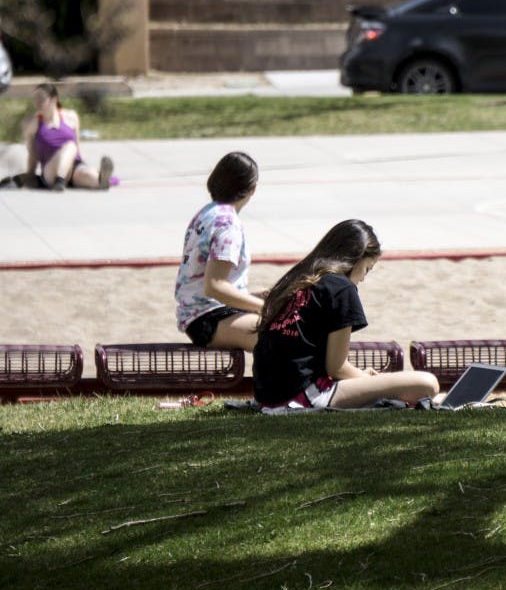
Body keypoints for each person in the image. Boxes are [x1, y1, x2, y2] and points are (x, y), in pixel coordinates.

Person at [253, 219, 440, 410]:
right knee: (427, 383)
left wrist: (360, 377)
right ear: (356, 259)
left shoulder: (296, 279)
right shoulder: (341, 288)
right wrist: (365, 378)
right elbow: (336, 367)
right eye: (367, 268)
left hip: (267, 396)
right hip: (304, 396)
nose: (364, 278)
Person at [174, 151, 264, 351]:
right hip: (208, 318)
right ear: (252, 189)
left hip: (201, 314)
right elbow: (214, 286)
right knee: (290, 336)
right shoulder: (228, 224)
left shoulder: (207, 213)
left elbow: (207, 282)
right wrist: (265, 308)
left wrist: (252, 297)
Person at [22, 83, 113, 191]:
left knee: (88, 175)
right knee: (70, 146)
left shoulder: (71, 117)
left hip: (73, 167)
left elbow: (77, 150)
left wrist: (83, 167)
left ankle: (100, 180)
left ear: (54, 100)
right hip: (50, 170)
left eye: (41, 99)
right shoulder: (33, 123)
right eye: (35, 99)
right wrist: (30, 175)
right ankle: (59, 180)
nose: (37, 103)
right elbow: (32, 154)